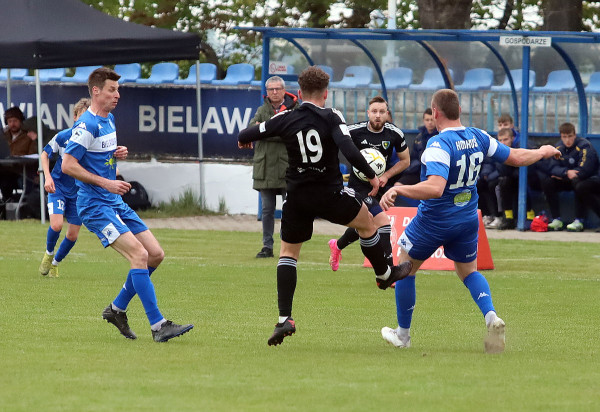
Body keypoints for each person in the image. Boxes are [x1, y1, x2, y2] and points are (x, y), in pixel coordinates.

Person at [238, 66, 412, 346]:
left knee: (288, 253)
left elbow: (248, 132)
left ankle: (284, 319)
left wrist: (244, 140)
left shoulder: (286, 116)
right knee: (367, 222)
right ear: (326, 94)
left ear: (298, 93)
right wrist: (371, 176)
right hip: (329, 193)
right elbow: (348, 148)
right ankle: (383, 274)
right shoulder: (332, 116)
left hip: (296, 196)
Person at [379, 89, 560, 353]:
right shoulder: (478, 136)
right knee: (468, 271)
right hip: (466, 218)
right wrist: (542, 150)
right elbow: (517, 157)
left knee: (405, 266)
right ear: (459, 111)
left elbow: (435, 188)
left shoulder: (438, 145)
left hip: (435, 220)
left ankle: (403, 335)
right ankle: (491, 316)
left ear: (435, 112)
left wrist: (399, 189)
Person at [62, 67, 193, 342]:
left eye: (118, 90)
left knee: (155, 254)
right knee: (139, 255)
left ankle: (117, 309)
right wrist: (107, 183)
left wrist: (115, 152)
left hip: (113, 201)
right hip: (94, 206)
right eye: (112, 90)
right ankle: (158, 326)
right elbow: (68, 165)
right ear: (96, 91)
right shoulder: (86, 125)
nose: (117, 95)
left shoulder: (109, 119)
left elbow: (97, 156)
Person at [328, 96, 409, 271]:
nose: (378, 115)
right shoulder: (355, 131)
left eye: (382, 112)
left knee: (366, 222)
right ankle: (389, 270)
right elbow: (332, 142)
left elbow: (406, 161)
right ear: (368, 113)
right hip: (358, 186)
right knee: (383, 223)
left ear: (387, 114)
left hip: (379, 186)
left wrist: (386, 175)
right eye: (374, 111)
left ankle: (337, 245)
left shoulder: (395, 133)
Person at [38, 98, 91, 278]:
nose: (84, 122)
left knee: (73, 235)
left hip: (79, 193)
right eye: (82, 117)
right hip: (58, 187)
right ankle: (49, 253)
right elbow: (45, 154)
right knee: (57, 224)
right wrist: (48, 177)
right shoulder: (63, 137)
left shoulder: (93, 141)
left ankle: (55, 263)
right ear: (75, 117)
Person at [247, 75, 298, 258]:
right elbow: (251, 130)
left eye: (278, 89)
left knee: (289, 211)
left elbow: (292, 133)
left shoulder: (294, 109)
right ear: (267, 92)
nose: (274, 92)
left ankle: (288, 246)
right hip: (266, 167)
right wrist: (274, 131)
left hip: (287, 167)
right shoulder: (261, 110)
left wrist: (265, 130)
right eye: (271, 89)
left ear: (284, 91)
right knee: (267, 211)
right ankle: (267, 246)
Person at [541, 122, 600, 232]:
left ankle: (579, 220)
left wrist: (565, 174)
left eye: (570, 136)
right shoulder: (558, 148)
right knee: (548, 182)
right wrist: (565, 172)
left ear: (575, 135)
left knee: (579, 184)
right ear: (561, 136)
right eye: (564, 137)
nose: (567, 140)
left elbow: (585, 170)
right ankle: (556, 219)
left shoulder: (584, 146)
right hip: (568, 178)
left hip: (590, 180)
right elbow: (552, 167)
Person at [494, 127, 540, 230]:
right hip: (513, 179)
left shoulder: (521, 146)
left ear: (512, 138)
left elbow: (527, 168)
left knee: (522, 181)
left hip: (531, 178)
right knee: (504, 182)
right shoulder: (499, 151)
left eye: (505, 139)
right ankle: (508, 217)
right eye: (500, 140)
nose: (503, 142)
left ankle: (529, 215)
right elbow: (502, 171)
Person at [1, 107, 35, 201]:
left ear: (20, 121)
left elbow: (33, 156)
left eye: (15, 121)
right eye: (10, 121)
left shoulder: (28, 136)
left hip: (22, 171)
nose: (12, 124)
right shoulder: (3, 136)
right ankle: (6, 201)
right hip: (4, 170)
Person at [396, 108, 437, 186]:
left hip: (432, 173)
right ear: (423, 121)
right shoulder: (419, 137)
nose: (430, 122)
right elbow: (413, 156)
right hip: (417, 171)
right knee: (397, 185)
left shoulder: (440, 137)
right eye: (427, 120)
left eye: (432, 120)